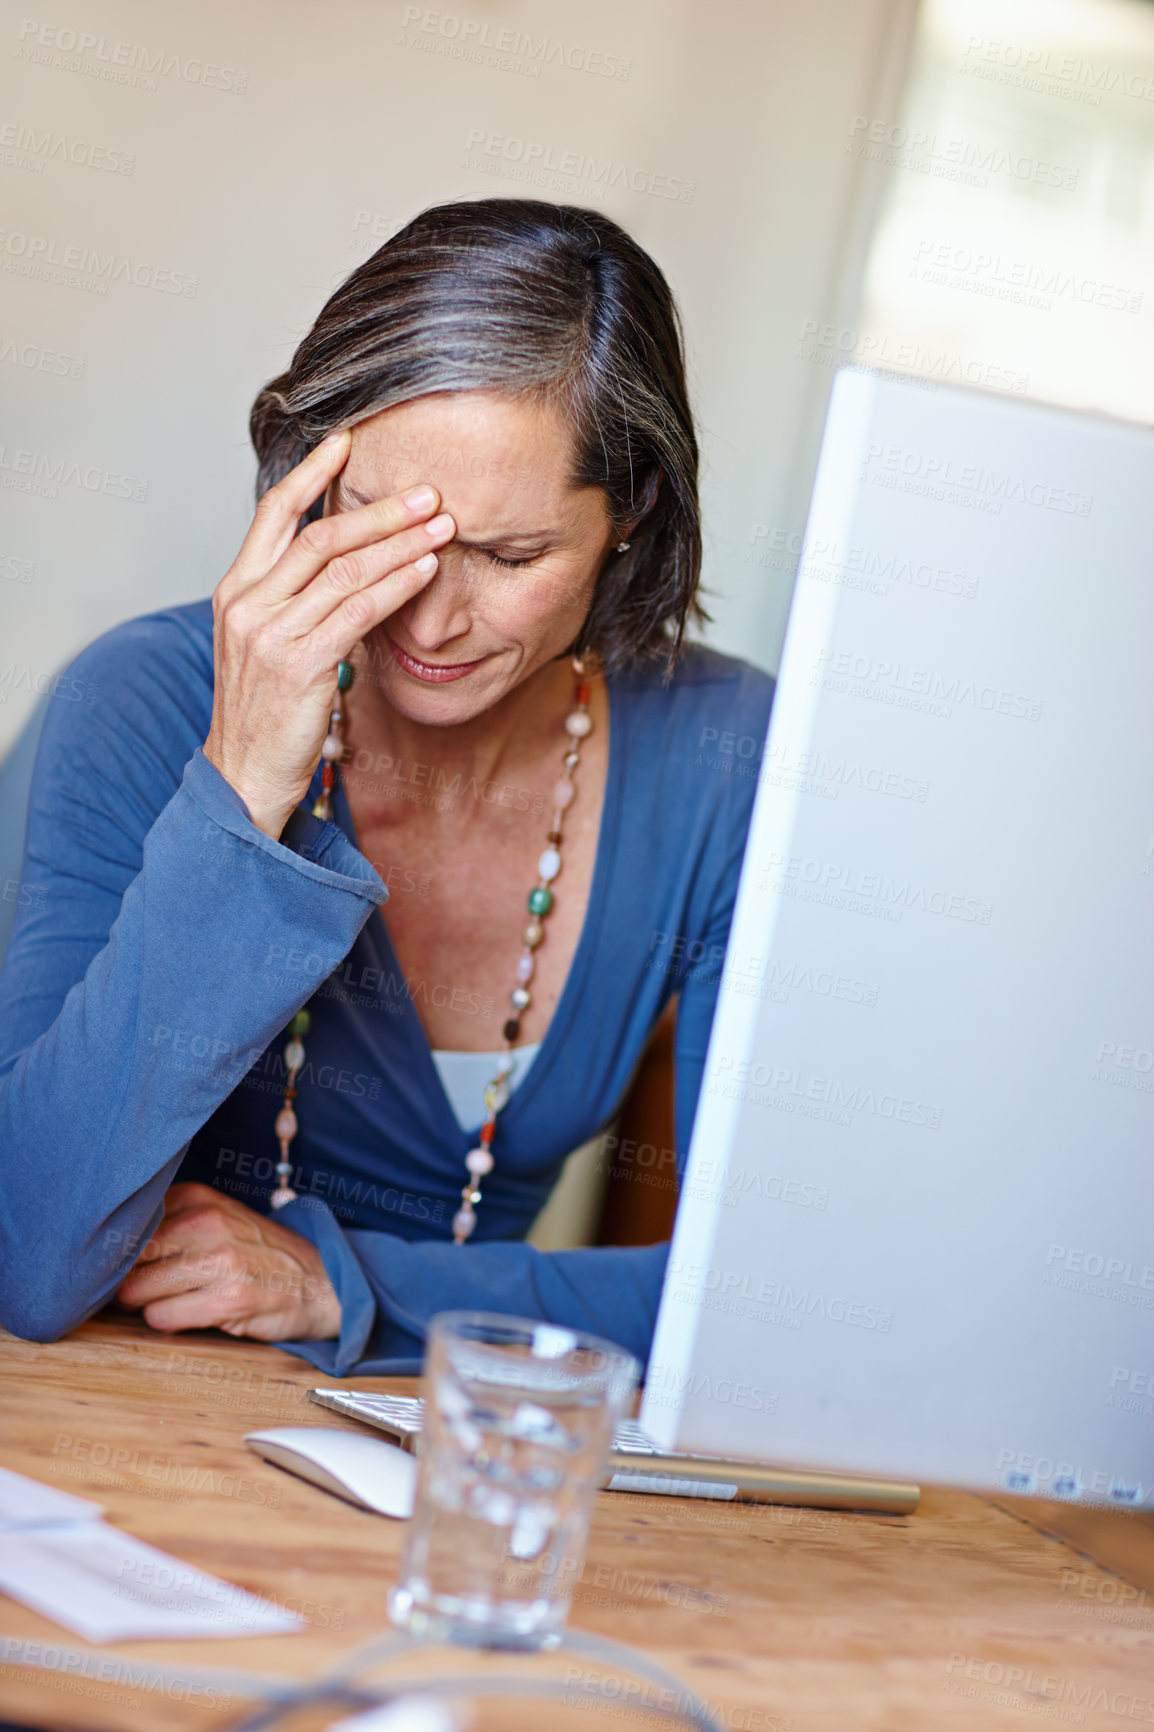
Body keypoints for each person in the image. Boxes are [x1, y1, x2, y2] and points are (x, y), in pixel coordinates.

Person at [0, 198, 772, 1374]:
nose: (427, 615)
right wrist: (243, 789)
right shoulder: (141, 702)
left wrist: (340, 1281)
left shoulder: (725, 756)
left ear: (631, 517)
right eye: (376, 526)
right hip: (110, 1428)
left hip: (441, 1444)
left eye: (509, 558)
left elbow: (758, 1305)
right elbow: (29, 1252)